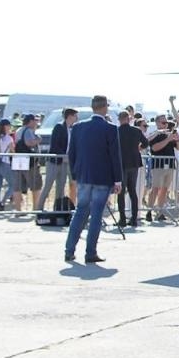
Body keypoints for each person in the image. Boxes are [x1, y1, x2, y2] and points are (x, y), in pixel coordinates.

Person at [65, 96, 122, 266]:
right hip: (102, 177)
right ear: (105, 108)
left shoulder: (78, 127)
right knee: (96, 214)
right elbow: (114, 156)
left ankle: (69, 250)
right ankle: (90, 252)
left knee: (80, 212)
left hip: (84, 176)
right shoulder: (110, 128)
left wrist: (75, 174)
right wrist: (118, 179)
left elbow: (71, 153)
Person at [38, 108, 79, 212]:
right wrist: (64, 156)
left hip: (64, 163)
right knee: (48, 186)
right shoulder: (59, 127)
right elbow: (55, 145)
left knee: (61, 187)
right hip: (54, 162)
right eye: (75, 116)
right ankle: (39, 209)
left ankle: (57, 209)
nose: (77, 118)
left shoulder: (70, 129)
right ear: (70, 116)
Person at [115, 110, 145, 227]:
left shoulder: (116, 131)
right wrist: (138, 148)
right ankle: (134, 218)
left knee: (121, 192)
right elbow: (146, 143)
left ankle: (122, 219)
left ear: (120, 119)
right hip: (134, 162)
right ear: (128, 119)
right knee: (132, 191)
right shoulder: (136, 131)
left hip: (122, 163)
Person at [145, 117, 178, 221]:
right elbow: (154, 148)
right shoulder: (155, 134)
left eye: (166, 122)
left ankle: (160, 212)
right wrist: (168, 139)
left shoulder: (170, 134)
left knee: (164, 189)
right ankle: (149, 211)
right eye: (163, 122)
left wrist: (177, 139)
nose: (166, 124)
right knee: (155, 188)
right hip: (158, 165)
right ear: (157, 123)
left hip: (170, 165)